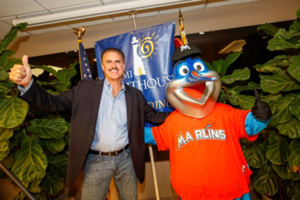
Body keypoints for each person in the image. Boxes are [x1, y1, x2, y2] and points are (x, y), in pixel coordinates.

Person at [9, 47, 169, 200]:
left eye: (118, 61)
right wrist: (27, 84)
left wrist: (186, 114)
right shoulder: (84, 89)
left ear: (124, 65)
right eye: (109, 62)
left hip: (127, 159)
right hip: (97, 161)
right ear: (102, 66)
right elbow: (52, 103)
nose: (114, 66)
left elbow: (155, 116)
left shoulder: (135, 95)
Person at [144, 43, 272, 200]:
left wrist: (261, 115)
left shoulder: (226, 112)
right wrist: (126, 128)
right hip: (192, 192)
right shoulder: (174, 120)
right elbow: (154, 136)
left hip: (231, 191)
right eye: (185, 71)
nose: (193, 77)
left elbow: (249, 125)